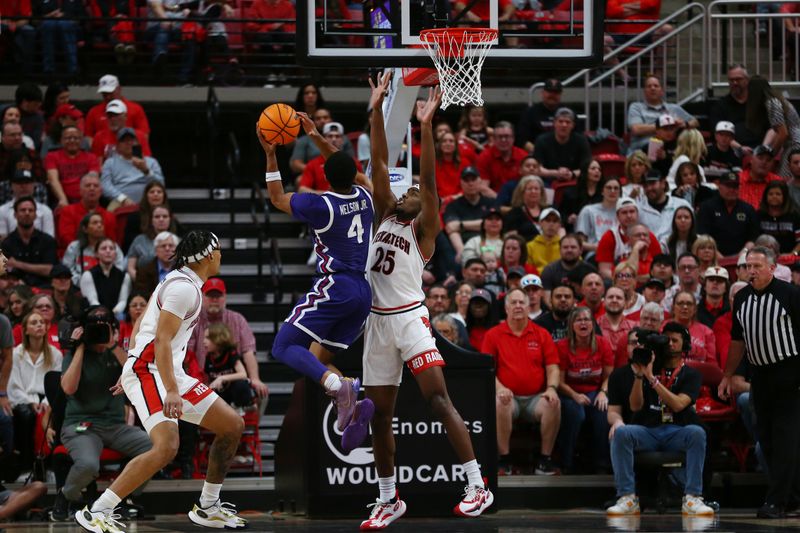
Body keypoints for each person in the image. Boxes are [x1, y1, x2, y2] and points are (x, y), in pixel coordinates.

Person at [358, 79, 492, 529]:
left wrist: (427, 126)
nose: (410, 188)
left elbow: (431, 183)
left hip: (411, 318)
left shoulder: (423, 230)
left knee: (437, 400)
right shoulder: (382, 213)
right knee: (379, 415)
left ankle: (477, 485)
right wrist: (375, 110)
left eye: (415, 189)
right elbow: (379, 160)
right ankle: (389, 499)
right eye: (407, 187)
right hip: (377, 323)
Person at [76, 232, 248, 531]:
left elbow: (143, 320)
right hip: (152, 371)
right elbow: (162, 340)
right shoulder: (184, 288)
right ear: (208, 255)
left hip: (163, 369)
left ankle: (208, 506)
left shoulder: (181, 280)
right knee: (167, 446)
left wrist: (130, 360)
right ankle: (98, 511)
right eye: (218, 250)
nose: (221, 255)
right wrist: (160, 383)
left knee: (232, 425)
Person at [257, 95, 376, 455]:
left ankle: (340, 386)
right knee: (317, 358)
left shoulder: (320, 204)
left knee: (282, 346)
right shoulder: (366, 196)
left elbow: (277, 198)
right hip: (363, 296)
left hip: (335, 285)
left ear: (324, 174)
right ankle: (349, 402)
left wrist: (270, 152)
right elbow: (347, 169)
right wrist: (319, 137)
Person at [719, 246, 800, 519]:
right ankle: (791, 498)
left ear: (772, 268)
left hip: (790, 373)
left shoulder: (791, 294)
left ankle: (776, 501)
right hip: (760, 376)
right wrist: (728, 375)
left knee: (785, 439)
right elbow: (737, 340)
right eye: (747, 266)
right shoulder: (741, 298)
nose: (751, 271)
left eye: (757, 266)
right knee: (766, 441)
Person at [55, 305, 153, 521]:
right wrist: (80, 347)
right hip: (81, 425)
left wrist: (113, 345)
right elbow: (68, 388)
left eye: (104, 328)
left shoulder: (118, 353)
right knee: (88, 465)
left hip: (115, 426)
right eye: (94, 328)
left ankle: (122, 497)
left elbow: (135, 374)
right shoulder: (74, 354)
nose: (98, 333)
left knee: (156, 448)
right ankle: (66, 495)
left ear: (114, 330)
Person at [606, 322, 714, 516]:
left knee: (697, 432)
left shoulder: (691, 374)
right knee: (621, 432)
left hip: (677, 431)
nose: (670, 344)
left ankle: (692, 498)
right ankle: (627, 498)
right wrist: (640, 376)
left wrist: (653, 381)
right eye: (667, 340)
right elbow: (635, 406)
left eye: (675, 340)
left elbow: (679, 404)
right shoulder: (650, 367)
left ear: (685, 345)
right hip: (649, 430)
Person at [484, 287, 561, 476]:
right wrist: (500, 388)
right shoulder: (493, 334)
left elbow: (553, 367)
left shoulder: (541, 334)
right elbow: (488, 369)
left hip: (536, 397)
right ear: (506, 307)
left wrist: (551, 388)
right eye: (514, 302)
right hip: (509, 397)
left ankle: (545, 460)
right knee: (499, 403)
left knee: (554, 403)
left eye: (522, 302)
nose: (518, 306)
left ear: (529, 307)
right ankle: (504, 460)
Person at [186, 278, 268, 399]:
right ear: (202, 297)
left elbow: (248, 352)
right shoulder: (193, 322)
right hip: (202, 378)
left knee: (250, 390)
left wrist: (255, 379)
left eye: (218, 296)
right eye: (210, 295)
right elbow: (189, 355)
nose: (214, 300)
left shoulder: (238, 320)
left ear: (225, 297)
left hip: (234, 380)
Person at [556, 306, 613, 474]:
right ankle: (566, 463)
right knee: (576, 413)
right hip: (569, 393)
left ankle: (601, 463)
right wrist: (575, 395)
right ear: (571, 325)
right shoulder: (562, 346)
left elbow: (610, 375)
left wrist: (603, 392)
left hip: (595, 391)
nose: (583, 323)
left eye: (587, 319)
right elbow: (558, 382)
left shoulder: (602, 343)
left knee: (603, 411)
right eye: (578, 320)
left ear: (593, 324)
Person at [8, 310, 63, 472]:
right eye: (34, 323)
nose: (39, 325)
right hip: (23, 399)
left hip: (48, 399)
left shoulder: (55, 354)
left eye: (41, 322)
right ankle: (26, 466)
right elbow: (14, 385)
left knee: (57, 414)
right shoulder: (16, 353)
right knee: (26, 415)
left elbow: (57, 385)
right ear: (25, 330)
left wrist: (46, 403)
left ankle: (51, 466)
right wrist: (30, 402)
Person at [626, 76, 699, 154]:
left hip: (668, 152)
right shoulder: (636, 107)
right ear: (644, 91)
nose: (652, 88)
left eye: (656, 86)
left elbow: (695, 122)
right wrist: (668, 125)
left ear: (662, 91)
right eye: (649, 86)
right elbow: (636, 129)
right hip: (640, 153)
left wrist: (684, 125)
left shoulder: (673, 108)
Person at [745, 76, 800, 178]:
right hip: (794, 143)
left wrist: (771, 154)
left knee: (783, 179)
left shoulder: (772, 104)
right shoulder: (778, 100)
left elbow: (783, 134)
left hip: (795, 145)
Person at [696, 171, 759, 258]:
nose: (732, 190)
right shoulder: (706, 207)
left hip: (742, 257)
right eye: (728, 186)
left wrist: (742, 254)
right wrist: (720, 258)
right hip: (712, 257)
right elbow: (702, 235)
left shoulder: (748, 209)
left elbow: (753, 238)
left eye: (735, 187)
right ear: (719, 186)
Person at [1, 196, 58, 287]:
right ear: (15, 215)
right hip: (16, 289)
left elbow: (49, 270)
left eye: (30, 210)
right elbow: (5, 272)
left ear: (35, 215)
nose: (27, 213)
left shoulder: (47, 241)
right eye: (23, 210)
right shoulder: (7, 243)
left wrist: (18, 264)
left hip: (44, 288)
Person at [56, 173, 117, 257]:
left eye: (96, 186)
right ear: (80, 191)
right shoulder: (68, 211)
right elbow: (66, 239)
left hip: (102, 257)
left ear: (101, 192)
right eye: (88, 186)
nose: (92, 188)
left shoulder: (109, 216)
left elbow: (111, 241)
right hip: (75, 256)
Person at [101, 129, 165, 209]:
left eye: (132, 140)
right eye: (124, 141)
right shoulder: (110, 163)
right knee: (110, 212)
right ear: (118, 146)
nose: (129, 143)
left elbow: (161, 184)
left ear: (137, 143)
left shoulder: (151, 162)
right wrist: (122, 198)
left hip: (148, 201)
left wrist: (146, 171)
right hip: (120, 201)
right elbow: (105, 186)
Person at [443, 166, 496, 264]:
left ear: (480, 181)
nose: (470, 183)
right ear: (461, 183)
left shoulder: (491, 202)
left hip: (490, 244)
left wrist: (461, 225)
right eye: (466, 180)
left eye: (473, 179)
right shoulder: (453, 205)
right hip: (464, 245)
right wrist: (462, 251)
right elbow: (450, 228)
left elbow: (493, 225)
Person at [533, 107, 591, 187]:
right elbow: (537, 169)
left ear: (573, 125)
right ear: (554, 123)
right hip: (548, 182)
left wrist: (572, 174)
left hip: (575, 181)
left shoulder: (581, 140)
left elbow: (587, 168)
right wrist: (556, 173)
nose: (564, 125)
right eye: (560, 121)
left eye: (568, 122)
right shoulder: (541, 140)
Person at [62, 212, 125, 285]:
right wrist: (83, 282)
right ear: (85, 229)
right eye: (95, 223)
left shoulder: (112, 246)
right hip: (79, 287)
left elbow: (119, 267)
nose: (99, 225)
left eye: (101, 223)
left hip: (107, 285)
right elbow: (67, 270)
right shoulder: (74, 247)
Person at [44, 125, 101, 207]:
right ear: (61, 140)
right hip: (62, 199)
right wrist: (63, 199)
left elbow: (92, 180)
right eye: (68, 138)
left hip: (86, 199)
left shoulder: (91, 157)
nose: (72, 140)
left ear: (81, 140)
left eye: (76, 138)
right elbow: (53, 180)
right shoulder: (52, 156)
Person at [708, 64, 759, 150]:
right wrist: (740, 148)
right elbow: (717, 132)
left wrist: (762, 150)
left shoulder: (758, 102)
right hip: (732, 151)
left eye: (738, 79)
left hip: (760, 151)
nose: (735, 83)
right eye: (731, 80)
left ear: (747, 80)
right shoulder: (720, 106)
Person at [203, 324, 253, 409]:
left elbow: (243, 374)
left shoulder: (230, 354)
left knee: (241, 385)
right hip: (221, 394)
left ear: (219, 339)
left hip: (234, 392)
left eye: (208, 338)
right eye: (204, 338)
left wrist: (221, 378)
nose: (204, 341)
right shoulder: (209, 357)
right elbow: (208, 379)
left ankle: (243, 407)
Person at [85, 75, 150, 141]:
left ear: (119, 89)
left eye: (111, 93)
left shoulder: (135, 109)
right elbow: (88, 137)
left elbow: (144, 135)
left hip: (128, 148)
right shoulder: (94, 112)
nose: (108, 97)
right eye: (104, 94)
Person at [80, 238, 132, 317]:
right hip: (95, 314)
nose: (108, 251)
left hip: (117, 315)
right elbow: (92, 300)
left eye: (111, 248)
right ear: (96, 253)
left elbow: (123, 301)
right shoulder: (88, 275)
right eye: (104, 248)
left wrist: (112, 313)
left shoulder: (124, 276)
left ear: (115, 253)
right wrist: (104, 314)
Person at [636, 169, 692, 243]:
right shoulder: (638, 209)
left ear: (663, 183)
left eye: (652, 184)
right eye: (645, 185)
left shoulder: (681, 205)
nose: (649, 188)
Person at [0, 169, 54, 240]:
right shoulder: (2, 210)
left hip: (39, 249)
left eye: (27, 182)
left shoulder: (46, 211)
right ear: (11, 185)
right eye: (19, 183)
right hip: (10, 249)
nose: (23, 186)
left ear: (34, 185)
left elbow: (49, 240)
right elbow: (1, 240)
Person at [475, 121, 528, 191]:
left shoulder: (523, 156)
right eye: (500, 137)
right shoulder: (484, 157)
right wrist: (501, 200)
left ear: (513, 138)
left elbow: (529, 183)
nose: (503, 140)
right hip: (493, 199)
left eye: (507, 136)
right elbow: (483, 188)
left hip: (519, 198)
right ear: (493, 139)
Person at [126, 206, 176, 280]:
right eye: (157, 217)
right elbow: (130, 267)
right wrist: (141, 281)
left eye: (165, 216)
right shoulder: (139, 240)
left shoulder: (178, 240)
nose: (161, 219)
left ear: (170, 219)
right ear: (151, 220)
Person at [575, 178, 621, 254]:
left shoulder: (624, 212)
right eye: (609, 188)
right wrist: (600, 248)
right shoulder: (588, 210)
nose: (612, 191)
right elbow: (580, 242)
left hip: (619, 253)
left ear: (620, 192)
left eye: (616, 188)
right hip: (595, 252)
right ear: (602, 191)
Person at [517, 78, 564, 153]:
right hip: (536, 156)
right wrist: (540, 153)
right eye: (549, 91)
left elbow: (577, 138)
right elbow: (522, 140)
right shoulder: (530, 112)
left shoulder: (567, 113)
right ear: (542, 93)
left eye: (556, 92)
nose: (552, 95)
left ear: (560, 94)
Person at [670, 291, 717, 365]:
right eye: (680, 303)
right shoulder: (663, 328)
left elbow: (712, 363)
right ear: (673, 307)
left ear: (695, 309)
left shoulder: (707, 332)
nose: (685, 307)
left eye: (689, 304)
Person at [758, 180, 800, 254]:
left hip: (790, 258)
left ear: (784, 196)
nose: (774, 197)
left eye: (778, 194)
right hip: (764, 258)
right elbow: (754, 240)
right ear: (765, 197)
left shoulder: (794, 216)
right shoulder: (759, 215)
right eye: (771, 194)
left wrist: (793, 254)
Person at [503, 175, 548, 241]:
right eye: (530, 189)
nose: (533, 191)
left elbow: (561, 232)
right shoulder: (514, 213)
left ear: (541, 192)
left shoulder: (549, 211)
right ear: (522, 192)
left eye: (536, 189)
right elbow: (511, 239)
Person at [738, 144, 783, 210]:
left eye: (768, 160)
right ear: (751, 160)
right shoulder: (737, 179)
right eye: (760, 158)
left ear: (773, 164)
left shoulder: (778, 181)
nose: (764, 162)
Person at [133, 231, 178, 295]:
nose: (167, 249)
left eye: (171, 246)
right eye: (163, 246)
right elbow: (141, 295)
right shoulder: (143, 271)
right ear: (156, 250)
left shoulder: (184, 269)